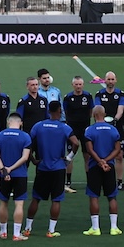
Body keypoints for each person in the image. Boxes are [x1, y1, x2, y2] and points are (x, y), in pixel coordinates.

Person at [25, 101, 77, 238]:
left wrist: (33, 160)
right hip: (58, 168)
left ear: (48, 111)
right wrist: (69, 157)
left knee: (36, 199)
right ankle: (51, 231)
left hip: (42, 167)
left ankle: (27, 228)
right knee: (56, 200)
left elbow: (27, 144)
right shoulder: (64, 127)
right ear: (59, 110)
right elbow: (76, 143)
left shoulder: (38, 126)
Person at [81, 105, 123, 236]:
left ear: (94, 115)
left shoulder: (90, 130)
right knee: (112, 196)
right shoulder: (113, 130)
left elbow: (89, 149)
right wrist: (106, 161)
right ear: (104, 115)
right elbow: (117, 149)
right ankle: (114, 227)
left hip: (95, 167)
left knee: (94, 196)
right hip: (109, 167)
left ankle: (95, 228)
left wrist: (100, 161)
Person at [0, 113, 33, 241]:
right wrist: (11, 168)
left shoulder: (0, 135)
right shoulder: (25, 136)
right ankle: (16, 234)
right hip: (20, 174)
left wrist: (4, 169)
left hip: (4, 175)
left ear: (8, 122)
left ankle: (3, 232)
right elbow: (25, 158)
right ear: (20, 123)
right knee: (19, 204)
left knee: (3, 203)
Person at [62, 75, 94, 193]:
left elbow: (91, 111)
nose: (78, 86)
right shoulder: (68, 98)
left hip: (85, 129)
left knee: (87, 155)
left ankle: (90, 181)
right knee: (70, 155)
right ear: (73, 85)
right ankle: (68, 182)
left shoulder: (88, 96)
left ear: (83, 85)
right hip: (72, 130)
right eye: (76, 84)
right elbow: (65, 112)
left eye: (80, 84)